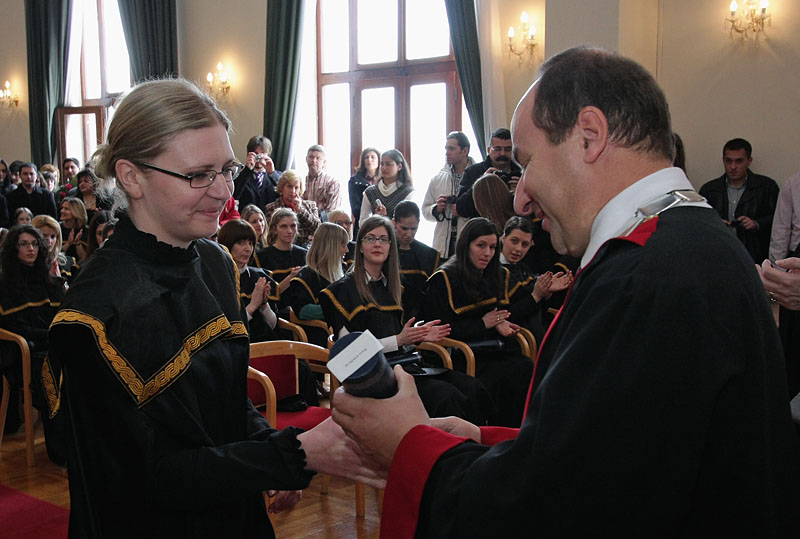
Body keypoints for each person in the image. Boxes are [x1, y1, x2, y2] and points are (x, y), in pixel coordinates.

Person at [331, 47, 800, 537]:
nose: (519, 197)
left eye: (528, 162)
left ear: (589, 137)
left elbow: (556, 508)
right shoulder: (697, 242)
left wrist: (408, 445)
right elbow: (612, 455)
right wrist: (486, 443)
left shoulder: (645, 277)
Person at [44, 78, 381, 538]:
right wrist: (287, 456)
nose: (224, 192)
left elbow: (219, 400)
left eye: (227, 169)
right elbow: (145, 480)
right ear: (131, 176)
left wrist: (272, 451)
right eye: (199, 174)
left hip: (232, 509)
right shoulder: (94, 317)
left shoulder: (215, 263)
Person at [320, 215, 491, 425]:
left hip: (407, 364)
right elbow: (350, 356)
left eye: (383, 239)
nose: (377, 244)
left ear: (391, 247)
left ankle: (474, 453)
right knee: (447, 397)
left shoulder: (395, 288)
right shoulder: (340, 291)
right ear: (360, 246)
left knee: (473, 388)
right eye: (370, 238)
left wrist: (419, 334)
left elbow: (402, 334)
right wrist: (399, 340)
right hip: (375, 376)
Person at [421, 217, 534, 427]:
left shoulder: (496, 274)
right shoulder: (443, 279)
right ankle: (490, 434)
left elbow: (497, 312)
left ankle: (515, 434)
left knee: (524, 367)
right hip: (459, 355)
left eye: (492, 247)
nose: (488, 253)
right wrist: (483, 324)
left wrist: (502, 322)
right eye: (481, 246)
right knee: (501, 376)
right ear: (466, 246)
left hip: (491, 348)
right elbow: (439, 331)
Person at [0, 224, 65, 461]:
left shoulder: (48, 279)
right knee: (53, 372)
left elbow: (63, 314)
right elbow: (14, 327)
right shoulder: (5, 284)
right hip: (22, 353)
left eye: (34, 243)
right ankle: (61, 451)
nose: (31, 249)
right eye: (24, 244)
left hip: (52, 345)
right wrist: (49, 335)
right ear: (13, 249)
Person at [699, 138, 779, 262]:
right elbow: (700, 221)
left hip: (754, 254)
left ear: (749, 161)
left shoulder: (767, 187)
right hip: (719, 254)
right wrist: (715, 223)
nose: (733, 167)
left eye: (739, 161)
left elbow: (778, 221)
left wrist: (756, 223)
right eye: (728, 161)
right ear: (723, 160)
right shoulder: (709, 190)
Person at [500, 216, 571, 341]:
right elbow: (506, 315)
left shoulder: (523, 268)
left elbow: (538, 309)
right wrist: (536, 295)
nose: (518, 249)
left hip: (535, 332)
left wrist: (546, 291)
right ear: (504, 238)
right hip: (514, 339)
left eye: (525, 244)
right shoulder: (495, 270)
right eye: (514, 241)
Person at [283, 222, 348, 347]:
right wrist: (338, 308)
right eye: (343, 245)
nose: (347, 249)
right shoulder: (306, 276)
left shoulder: (342, 271)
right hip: (320, 338)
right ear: (330, 247)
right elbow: (302, 311)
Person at [421, 132, 474, 259]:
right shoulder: (438, 179)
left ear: (464, 150)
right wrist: (436, 209)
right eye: (446, 148)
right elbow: (425, 210)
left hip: (469, 244)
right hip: (443, 246)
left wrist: (464, 209)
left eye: (452, 148)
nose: (447, 152)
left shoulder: (478, 176)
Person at [456, 128, 521, 219]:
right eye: (497, 149)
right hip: (483, 229)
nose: (502, 153)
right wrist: (480, 184)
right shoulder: (473, 172)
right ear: (489, 150)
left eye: (507, 149)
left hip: (513, 228)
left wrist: (520, 192)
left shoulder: (522, 173)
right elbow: (461, 209)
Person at [392, 200, 440, 322]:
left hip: (418, 318)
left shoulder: (429, 255)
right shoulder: (384, 251)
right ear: (394, 223)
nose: (409, 234)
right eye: (404, 228)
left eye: (414, 228)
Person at [263, 170, 320, 247]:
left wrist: (300, 211)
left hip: (306, 251)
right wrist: (307, 235)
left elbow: (318, 229)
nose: (293, 191)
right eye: (289, 186)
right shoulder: (271, 208)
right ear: (282, 187)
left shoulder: (311, 205)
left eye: (296, 187)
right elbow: (273, 235)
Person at [257, 207, 306, 295]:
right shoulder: (261, 257)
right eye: (284, 226)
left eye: (293, 226)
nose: (289, 231)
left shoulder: (304, 254)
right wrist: (291, 277)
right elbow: (266, 295)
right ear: (274, 230)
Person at [359, 149, 414, 226]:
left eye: (388, 164)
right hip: (375, 236)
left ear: (400, 166)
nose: (384, 168)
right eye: (382, 164)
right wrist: (376, 218)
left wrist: (385, 220)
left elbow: (407, 225)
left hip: (398, 237)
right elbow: (362, 222)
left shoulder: (408, 193)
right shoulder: (370, 192)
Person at [233, 135, 281, 211]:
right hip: (248, 219)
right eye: (255, 153)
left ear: (268, 155)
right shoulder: (242, 176)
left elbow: (284, 193)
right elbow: (234, 195)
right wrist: (247, 170)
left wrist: (272, 172)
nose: (259, 157)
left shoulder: (277, 176)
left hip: (271, 219)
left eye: (262, 153)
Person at [32, 214, 80, 283]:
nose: (49, 241)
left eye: (53, 236)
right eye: (44, 236)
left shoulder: (68, 263)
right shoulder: (26, 263)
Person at [348, 147, 379, 240]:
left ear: (379, 160)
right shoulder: (355, 180)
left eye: (373, 157)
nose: (369, 160)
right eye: (366, 157)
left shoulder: (384, 180)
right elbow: (355, 208)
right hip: (362, 224)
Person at [303, 145, 340, 218]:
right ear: (306, 159)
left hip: (324, 224)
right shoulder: (301, 182)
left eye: (318, 158)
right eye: (311, 157)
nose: (314, 161)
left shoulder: (332, 182)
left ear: (324, 162)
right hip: (303, 224)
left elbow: (332, 211)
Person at [59, 196, 88, 261]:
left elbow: (84, 258)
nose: (62, 211)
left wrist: (77, 243)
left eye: (66, 209)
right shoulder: (57, 228)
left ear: (76, 212)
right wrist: (68, 244)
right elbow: (55, 255)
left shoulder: (86, 231)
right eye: (62, 208)